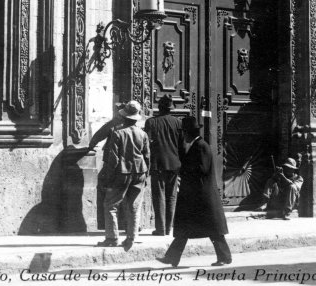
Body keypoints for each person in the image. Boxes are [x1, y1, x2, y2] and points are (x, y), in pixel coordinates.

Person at [157, 116, 231, 268]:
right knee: (185, 229)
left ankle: (224, 257)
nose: (183, 135)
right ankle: (172, 258)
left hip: (202, 195)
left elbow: (202, 169)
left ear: (189, 132)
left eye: (184, 132)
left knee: (213, 229)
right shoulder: (194, 145)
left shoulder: (201, 146)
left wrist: (182, 170)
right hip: (195, 195)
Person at [96, 100, 150, 251]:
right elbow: (147, 156)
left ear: (125, 117)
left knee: (111, 205)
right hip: (140, 172)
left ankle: (112, 238)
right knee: (134, 205)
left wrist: (108, 177)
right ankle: (132, 237)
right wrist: (146, 174)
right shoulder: (143, 134)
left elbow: (113, 159)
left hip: (121, 173)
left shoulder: (117, 134)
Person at [143, 95, 182, 236]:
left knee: (158, 195)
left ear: (159, 108)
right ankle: (168, 227)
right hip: (174, 164)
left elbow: (146, 144)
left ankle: (160, 229)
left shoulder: (151, 122)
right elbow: (182, 145)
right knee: (171, 196)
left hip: (157, 163)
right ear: (171, 109)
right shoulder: (178, 123)